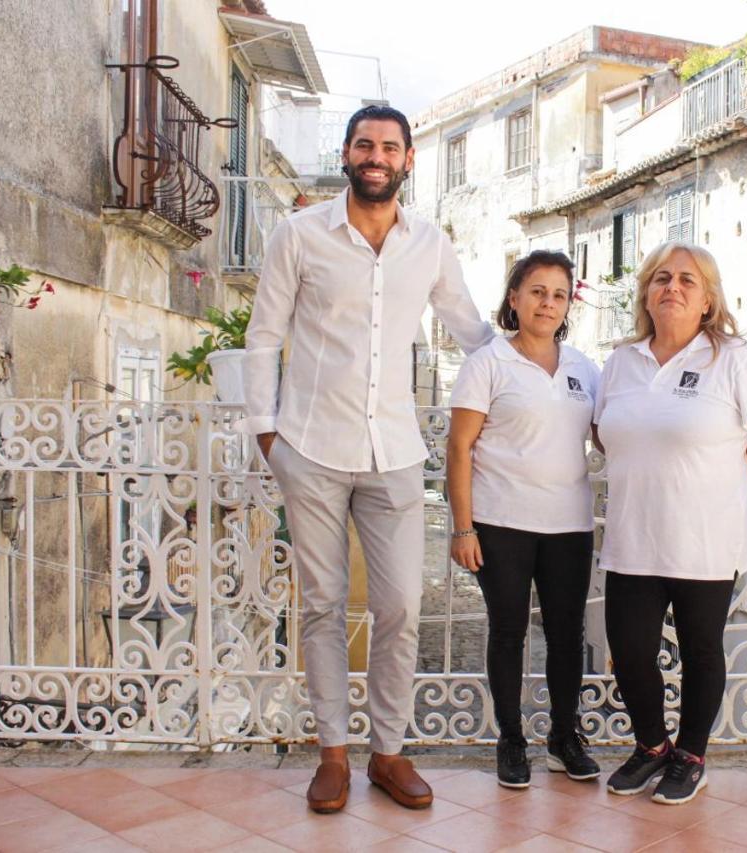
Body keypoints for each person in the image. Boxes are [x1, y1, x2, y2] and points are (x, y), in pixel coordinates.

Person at [243, 105, 493, 814]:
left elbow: (468, 328)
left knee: (400, 606)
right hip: (311, 448)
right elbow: (265, 337)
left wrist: (533, 368)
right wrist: (269, 437)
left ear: (409, 159)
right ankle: (332, 756)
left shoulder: (430, 243)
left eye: (389, 146)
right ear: (348, 154)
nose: (376, 156)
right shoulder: (299, 235)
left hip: (394, 454)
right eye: (364, 144)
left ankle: (388, 751)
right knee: (321, 606)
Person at [595, 242, 747, 805]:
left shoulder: (733, 359)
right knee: (630, 650)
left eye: (687, 279)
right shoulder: (621, 362)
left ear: (707, 299)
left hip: (706, 538)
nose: (672, 287)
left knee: (700, 649)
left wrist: (721, 484)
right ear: (646, 293)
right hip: (634, 535)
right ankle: (653, 746)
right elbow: (600, 431)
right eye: (661, 278)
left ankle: (691, 754)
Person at [446, 250, 603, 789]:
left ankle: (564, 738)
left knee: (566, 634)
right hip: (501, 521)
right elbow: (459, 448)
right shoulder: (488, 362)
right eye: (537, 291)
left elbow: (609, 436)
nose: (548, 303)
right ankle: (511, 740)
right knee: (509, 631)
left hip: (569, 524)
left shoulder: (585, 368)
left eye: (559, 294)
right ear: (514, 298)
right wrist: (463, 528)